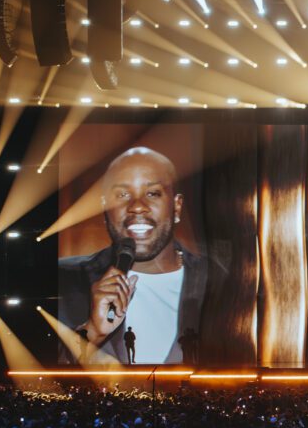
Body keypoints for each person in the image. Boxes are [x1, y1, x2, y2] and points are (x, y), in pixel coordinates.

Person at [58, 147, 207, 364]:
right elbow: (37, 376)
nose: (137, 207)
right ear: (105, 208)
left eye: (153, 193)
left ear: (176, 206)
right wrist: (93, 331)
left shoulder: (221, 282)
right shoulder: (62, 279)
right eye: (122, 195)